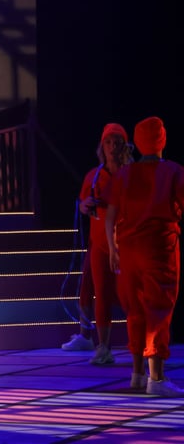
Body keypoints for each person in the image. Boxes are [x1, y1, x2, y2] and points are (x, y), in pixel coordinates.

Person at [105, 116, 184, 397]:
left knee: (135, 311)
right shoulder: (173, 171)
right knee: (158, 310)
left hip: (128, 251)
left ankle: (137, 375)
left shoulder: (125, 174)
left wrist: (112, 248)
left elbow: (110, 215)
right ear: (162, 140)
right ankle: (157, 378)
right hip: (159, 250)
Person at [63, 123, 132, 364]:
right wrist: (86, 205)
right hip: (100, 243)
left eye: (117, 143)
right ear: (102, 146)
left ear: (125, 146)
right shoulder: (94, 176)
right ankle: (102, 346)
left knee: (131, 294)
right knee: (97, 291)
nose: (112, 147)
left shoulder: (132, 174)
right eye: (108, 142)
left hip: (127, 244)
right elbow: (83, 203)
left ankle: (143, 345)